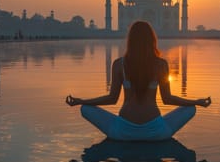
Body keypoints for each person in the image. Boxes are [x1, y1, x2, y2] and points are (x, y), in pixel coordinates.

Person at [66, 21, 211, 141]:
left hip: (122, 132)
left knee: (85, 108)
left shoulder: (119, 64)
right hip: (156, 133)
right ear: (152, 40)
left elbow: (112, 99)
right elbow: (167, 99)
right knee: (191, 108)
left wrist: (81, 100)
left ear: (130, 41)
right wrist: (196, 101)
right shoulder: (161, 64)